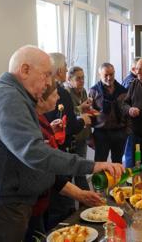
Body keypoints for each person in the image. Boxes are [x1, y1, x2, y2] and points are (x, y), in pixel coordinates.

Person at [0, 45, 124, 242]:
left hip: (8, 205)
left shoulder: (14, 96)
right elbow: (35, 153)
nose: (49, 82)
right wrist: (93, 165)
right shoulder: (7, 97)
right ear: (24, 70)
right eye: (46, 75)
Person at [26, 79, 102, 241]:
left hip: (40, 200)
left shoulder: (40, 119)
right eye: (55, 96)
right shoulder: (31, 121)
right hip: (30, 204)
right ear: (41, 100)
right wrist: (93, 167)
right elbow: (47, 163)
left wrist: (52, 132)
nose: (58, 99)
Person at [44, 53, 94, 230]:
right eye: (65, 66)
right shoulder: (62, 92)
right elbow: (71, 124)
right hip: (59, 155)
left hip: (57, 156)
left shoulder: (63, 93)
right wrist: (83, 120)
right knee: (62, 208)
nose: (57, 99)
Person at [89, 63, 129, 163]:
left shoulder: (123, 91)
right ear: (100, 75)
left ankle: (118, 180)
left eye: (111, 74)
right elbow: (88, 115)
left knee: (118, 163)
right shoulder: (94, 91)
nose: (109, 78)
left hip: (119, 132)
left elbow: (127, 113)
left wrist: (127, 132)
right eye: (105, 75)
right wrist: (89, 137)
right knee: (99, 163)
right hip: (101, 133)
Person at [64, 66, 93, 190]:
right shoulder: (66, 93)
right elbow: (67, 114)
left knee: (81, 170)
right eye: (78, 78)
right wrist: (81, 107)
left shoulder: (83, 91)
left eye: (83, 78)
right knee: (71, 172)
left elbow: (83, 111)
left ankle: (84, 201)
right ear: (69, 80)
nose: (82, 81)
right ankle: (79, 203)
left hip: (83, 135)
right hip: (72, 138)